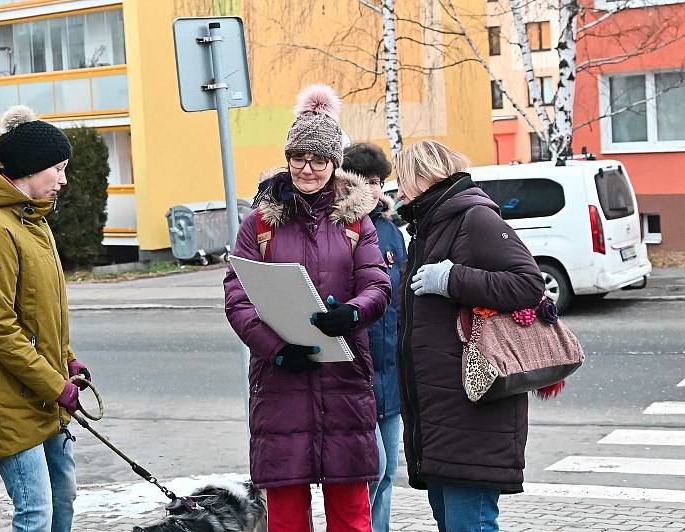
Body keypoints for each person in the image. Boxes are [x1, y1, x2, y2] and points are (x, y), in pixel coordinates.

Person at [224, 84, 392, 532]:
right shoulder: (259, 222)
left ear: (334, 163)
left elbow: (377, 283)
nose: (307, 168)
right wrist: (275, 349)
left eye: (319, 160)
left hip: (343, 381)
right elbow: (237, 296)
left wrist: (353, 313)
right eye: (299, 157)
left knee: (351, 515)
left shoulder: (356, 221)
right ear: (288, 158)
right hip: (281, 381)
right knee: (286, 519)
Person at [393, 140, 544, 532]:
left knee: (470, 525)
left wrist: (451, 279)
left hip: (474, 410)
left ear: (423, 175)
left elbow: (528, 283)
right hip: (442, 413)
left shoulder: (475, 218)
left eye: (402, 180)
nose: (398, 191)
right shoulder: (428, 228)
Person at [0, 105, 90, 532]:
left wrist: (68, 359)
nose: (63, 180)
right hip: (9, 398)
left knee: (63, 501)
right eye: (58, 168)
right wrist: (56, 384)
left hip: (43, 392)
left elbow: (43, 313)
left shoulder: (34, 222)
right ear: (31, 168)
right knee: (35, 513)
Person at [342, 143, 405, 532]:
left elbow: (400, 299)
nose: (374, 190)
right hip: (357, 372)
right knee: (372, 470)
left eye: (378, 181)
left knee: (388, 475)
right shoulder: (340, 230)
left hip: (391, 372)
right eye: (365, 182)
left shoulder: (390, 232)